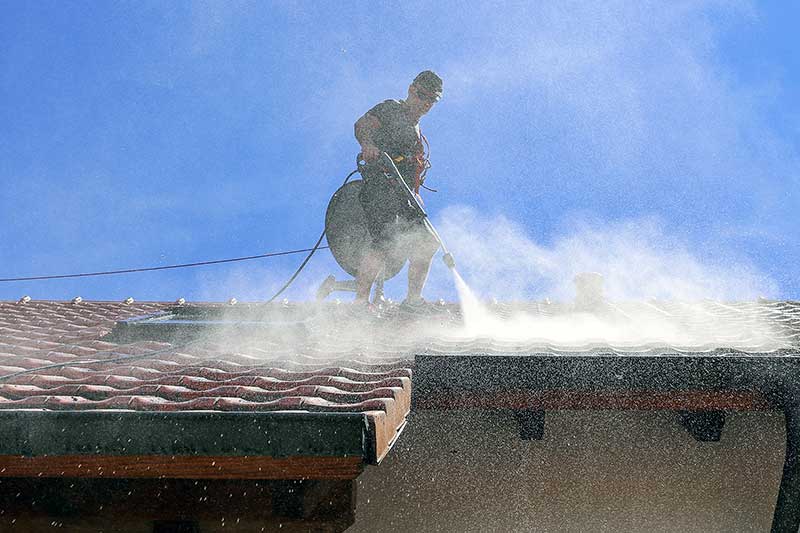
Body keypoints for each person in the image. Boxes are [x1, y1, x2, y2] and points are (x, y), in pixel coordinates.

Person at [353, 70, 443, 306]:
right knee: (383, 240)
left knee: (427, 242)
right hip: (380, 186)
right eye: (422, 95)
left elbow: (411, 170)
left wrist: (415, 193)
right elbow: (362, 125)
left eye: (431, 100)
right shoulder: (391, 109)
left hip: (404, 195)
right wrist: (368, 145)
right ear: (411, 89)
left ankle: (412, 301)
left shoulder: (416, 134)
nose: (424, 103)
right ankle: (360, 303)